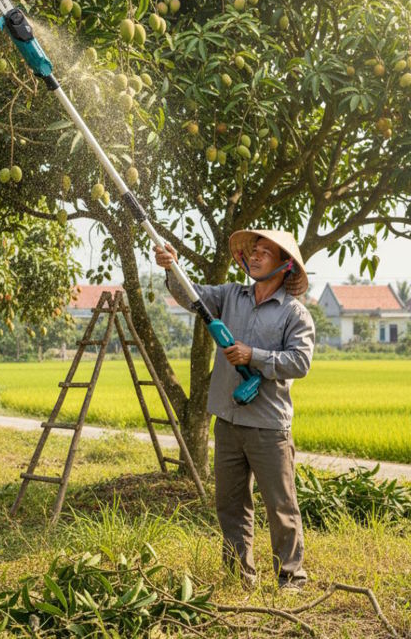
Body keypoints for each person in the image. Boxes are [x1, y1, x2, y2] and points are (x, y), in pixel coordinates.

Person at [154, 230, 315, 590]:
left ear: (285, 265)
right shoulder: (229, 296)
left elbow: (300, 362)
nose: (255, 257)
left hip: (268, 426)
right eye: (253, 251)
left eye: (265, 253)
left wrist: (253, 356)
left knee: (280, 505)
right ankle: (238, 575)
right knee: (230, 503)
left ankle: (291, 577)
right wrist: (171, 268)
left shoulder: (295, 314)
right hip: (227, 419)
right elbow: (189, 294)